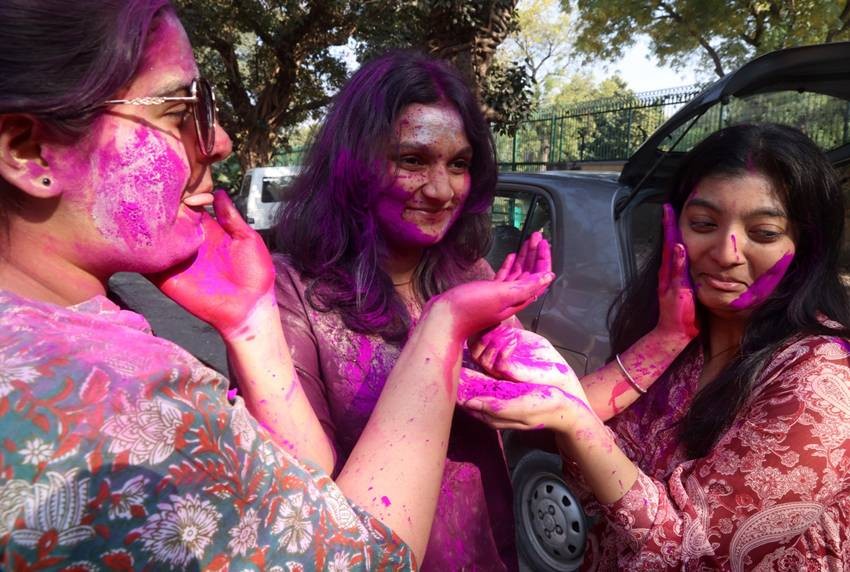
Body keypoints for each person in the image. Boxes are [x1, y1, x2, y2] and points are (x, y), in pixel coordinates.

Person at [0, 1, 554, 568]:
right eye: (176, 111)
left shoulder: (468, 270)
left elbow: (297, 501)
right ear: (29, 152)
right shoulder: (111, 392)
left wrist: (250, 323)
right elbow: (354, 547)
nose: (218, 141)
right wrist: (445, 326)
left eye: (459, 164)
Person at [459, 123, 850, 569]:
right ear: (672, 226)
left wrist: (573, 417)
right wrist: (541, 375)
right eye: (703, 224)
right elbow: (589, 473)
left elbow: (692, 548)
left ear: (807, 246)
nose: (726, 253)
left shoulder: (821, 379)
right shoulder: (679, 340)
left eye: (763, 233)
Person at [272, 51, 529, 569]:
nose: (441, 190)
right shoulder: (291, 289)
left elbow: (543, 411)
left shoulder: (470, 272)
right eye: (412, 160)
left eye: (459, 164)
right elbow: (300, 495)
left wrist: (667, 336)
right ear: (354, 164)